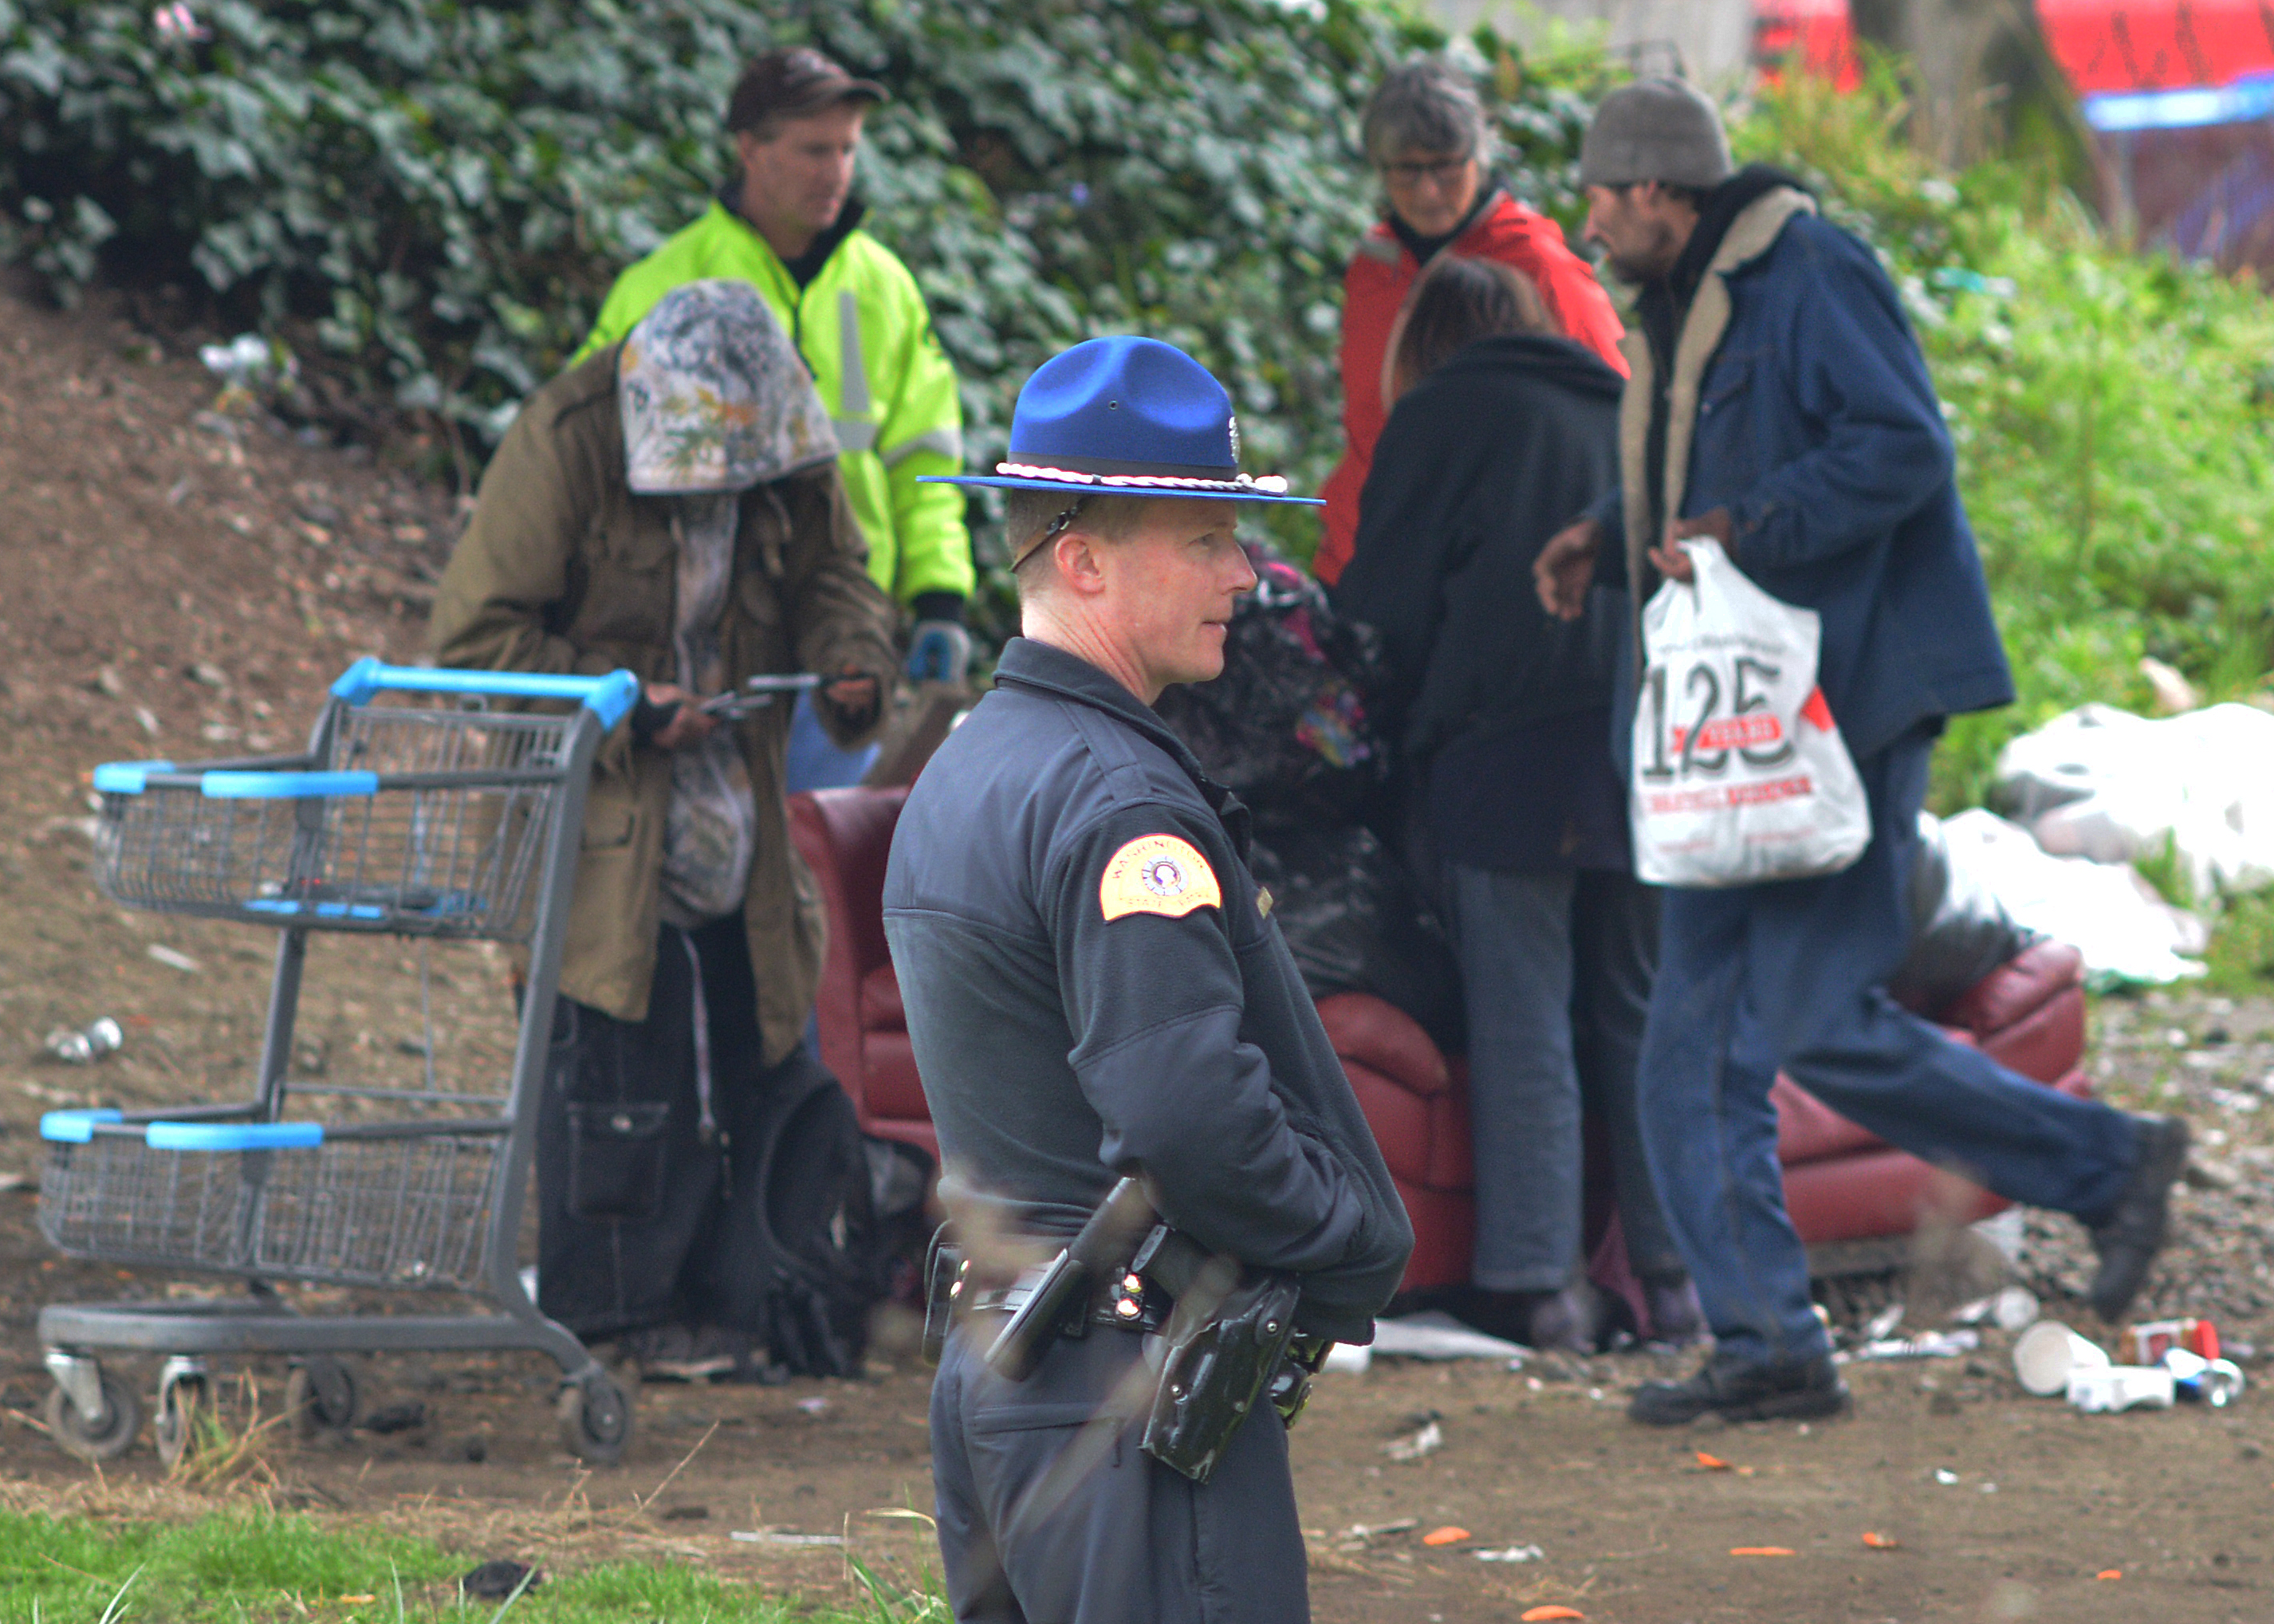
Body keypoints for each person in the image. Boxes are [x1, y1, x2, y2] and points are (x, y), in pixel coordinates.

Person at [1533, 78, 2188, 1425]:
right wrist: (1610, 536)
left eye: (1602, 197)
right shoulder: (1677, 303)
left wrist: (1745, 524)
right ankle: (1767, 1340)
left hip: (1847, 710)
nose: (1588, 223)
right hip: (1733, 741)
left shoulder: (1811, 271)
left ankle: (2109, 1160)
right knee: (1686, 1050)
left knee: (1808, 1019)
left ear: (1661, 192)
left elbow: (1900, 449)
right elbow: (1696, 479)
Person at [885, 336, 1413, 1622]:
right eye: (1205, 538)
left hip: (1003, 1382)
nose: (1247, 571)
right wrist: (1345, 1236)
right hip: (1120, 1393)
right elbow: (1186, 1115)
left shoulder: (966, 767)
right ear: (1082, 558)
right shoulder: (1121, 805)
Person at [434, 280, 899, 1380]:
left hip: (740, 819)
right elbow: (472, 646)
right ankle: (617, 1317)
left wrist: (854, 668)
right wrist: (622, 703)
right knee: (614, 1071)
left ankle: (744, 1307)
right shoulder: (565, 441)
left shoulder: (785, 434)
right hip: (601, 827)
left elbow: (840, 573)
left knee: (760, 1045)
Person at [1332, 254, 1696, 1354]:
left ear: (1425, 346)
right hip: (1648, 743)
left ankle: (1542, 1290)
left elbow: (1381, 614)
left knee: (1523, 1013)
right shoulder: (1618, 400)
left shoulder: (1440, 414)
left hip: (1506, 753)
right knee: (1640, 1012)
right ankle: (1676, 1283)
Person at [574, 45, 976, 782]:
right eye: (814, 149)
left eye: (848, 149)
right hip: (700, 633)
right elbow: (580, 462)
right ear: (749, 150)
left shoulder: (885, 289)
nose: (836, 171)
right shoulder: (662, 287)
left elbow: (926, 458)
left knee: (813, 859)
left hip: (844, 637)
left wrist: (939, 597)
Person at [1314, 57, 1627, 587]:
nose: (1427, 190)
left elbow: (1614, 410)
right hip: (1360, 550)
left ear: (1480, 156)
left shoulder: (1537, 264)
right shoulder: (1374, 264)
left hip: (1482, 562)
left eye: (1445, 166)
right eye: (1407, 170)